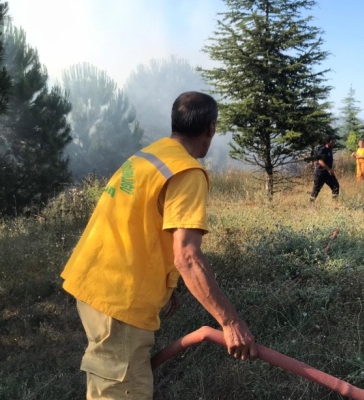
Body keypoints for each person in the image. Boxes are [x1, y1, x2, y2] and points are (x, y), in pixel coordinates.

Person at [61, 91, 257, 399]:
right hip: (119, 301)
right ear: (210, 129)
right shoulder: (187, 172)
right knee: (122, 390)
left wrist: (166, 283)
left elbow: (138, 223)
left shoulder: (149, 156)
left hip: (94, 282)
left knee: (112, 383)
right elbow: (188, 257)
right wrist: (230, 322)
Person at [310, 136, 340, 201]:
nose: (333, 143)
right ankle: (311, 204)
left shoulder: (330, 150)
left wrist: (330, 170)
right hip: (320, 173)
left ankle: (335, 203)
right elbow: (320, 161)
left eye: (334, 142)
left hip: (328, 174)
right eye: (332, 142)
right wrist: (329, 169)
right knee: (316, 189)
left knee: (335, 186)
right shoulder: (322, 150)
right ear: (327, 142)